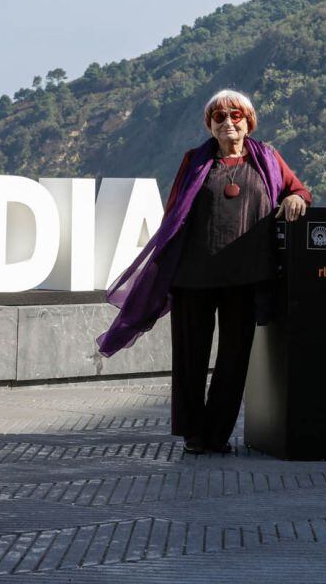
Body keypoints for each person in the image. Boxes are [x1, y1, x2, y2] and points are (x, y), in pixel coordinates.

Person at [97, 89, 312, 454]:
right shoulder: (195, 161)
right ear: (210, 126)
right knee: (190, 358)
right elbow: (175, 214)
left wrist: (294, 198)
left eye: (235, 115)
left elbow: (299, 190)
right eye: (219, 117)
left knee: (234, 358)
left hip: (245, 278)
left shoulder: (269, 159)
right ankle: (194, 435)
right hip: (193, 278)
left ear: (248, 121)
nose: (228, 122)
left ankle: (217, 435)